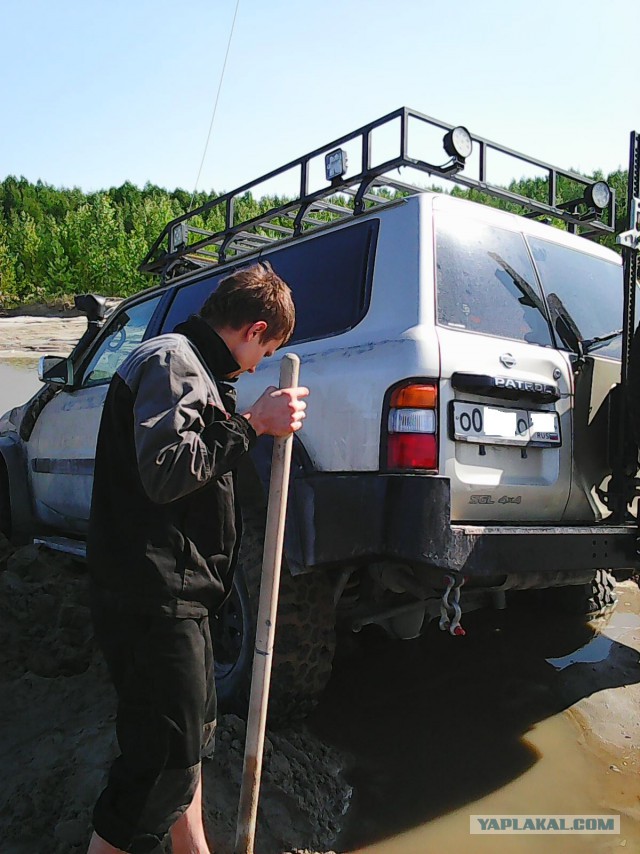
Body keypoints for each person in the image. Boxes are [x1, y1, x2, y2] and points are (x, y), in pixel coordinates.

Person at [86, 261, 306, 854]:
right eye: (269, 349)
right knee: (161, 763)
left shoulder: (197, 369)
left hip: (181, 596)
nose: (260, 364)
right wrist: (252, 425)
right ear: (255, 330)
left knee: (189, 745)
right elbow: (164, 472)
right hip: (152, 597)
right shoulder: (171, 360)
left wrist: (243, 420)